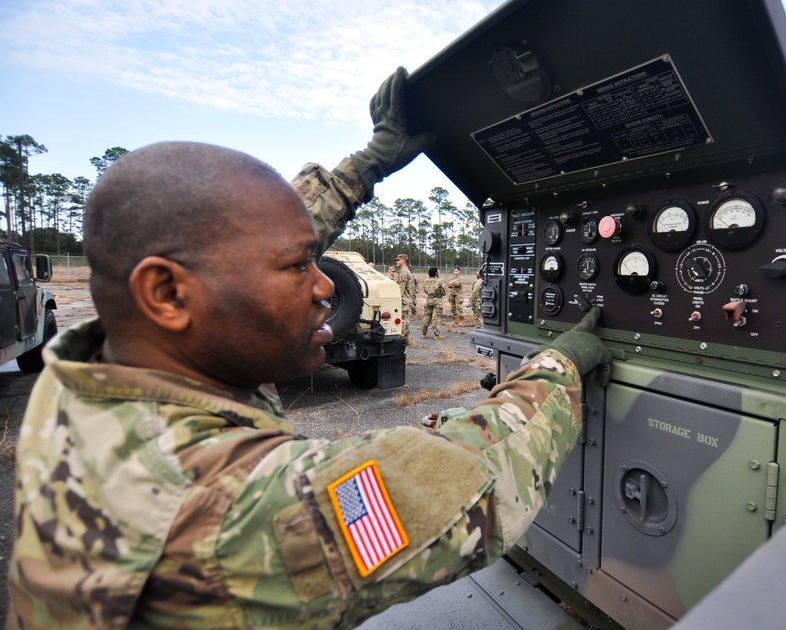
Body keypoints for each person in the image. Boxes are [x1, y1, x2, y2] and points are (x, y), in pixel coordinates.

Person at [6, 67, 613, 629]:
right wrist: (561, 365)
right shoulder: (235, 513)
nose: (326, 287)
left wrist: (367, 165)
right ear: (166, 293)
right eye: (300, 267)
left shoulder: (86, 371)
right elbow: (473, 478)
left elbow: (240, 250)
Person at [393, 253, 414, 343]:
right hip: (406, 299)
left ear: (404, 261)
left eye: (398, 260)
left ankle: (402, 339)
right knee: (405, 319)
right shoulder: (403, 271)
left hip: (403, 299)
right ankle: (406, 338)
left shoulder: (404, 272)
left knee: (402, 319)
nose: (397, 261)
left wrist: (396, 299)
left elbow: (401, 288)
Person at [421, 267, 446, 340]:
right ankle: (436, 335)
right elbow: (444, 292)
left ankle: (423, 333)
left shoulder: (426, 281)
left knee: (427, 317)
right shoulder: (439, 280)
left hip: (429, 300)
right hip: (437, 301)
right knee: (435, 318)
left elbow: (425, 290)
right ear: (436, 273)